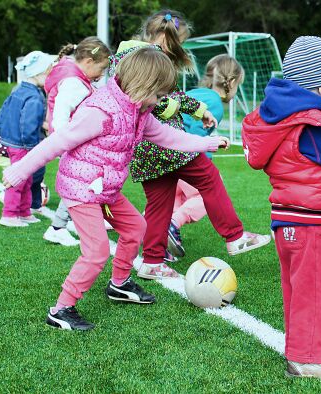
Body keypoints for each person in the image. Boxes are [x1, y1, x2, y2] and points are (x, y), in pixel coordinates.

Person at [1, 48, 229, 331]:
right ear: (143, 85)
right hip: (82, 189)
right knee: (96, 252)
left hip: (105, 190)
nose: (161, 102)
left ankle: (119, 284)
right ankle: (60, 309)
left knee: (136, 228)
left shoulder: (139, 111)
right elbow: (57, 142)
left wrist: (206, 143)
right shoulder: (100, 111)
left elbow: (167, 136)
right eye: (159, 95)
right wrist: (20, 170)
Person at [108, 10, 270, 281]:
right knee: (208, 177)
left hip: (144, 149)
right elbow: (151, 100)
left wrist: (199, 110)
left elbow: (170, 95)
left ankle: (151, 261)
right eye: (177, 42)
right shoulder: (142, 58)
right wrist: (176, 109)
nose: (177, 50)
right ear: (163, 37)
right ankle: (235, 236)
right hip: (164, 143)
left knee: (160, 203)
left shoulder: (127, 56)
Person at [242, 36, 321, 378]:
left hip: (289, 219)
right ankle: (307, 359)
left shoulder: (286, 118)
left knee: (298, 289)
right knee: (316, 290)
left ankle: (303, 346)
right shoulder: (311, 122)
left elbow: (303, 165)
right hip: (308, 224)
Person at [167, 54, 245, 258]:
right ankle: (173, 224)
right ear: (233, 82)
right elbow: (195, 134)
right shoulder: (216, 104)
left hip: (165, 152)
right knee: (207, 193)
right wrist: (206, 154)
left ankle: (153, 231)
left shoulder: (196, 93)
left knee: (172, 197)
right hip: (183, 155)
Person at [42, 36, 112, 247]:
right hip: (73, 142)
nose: (101, 75)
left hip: (74, 141)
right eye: (101, 68)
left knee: (87, 181)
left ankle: (75, 221)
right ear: (89, 62)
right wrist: (66, 141)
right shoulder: (74, 83)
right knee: (80, 183)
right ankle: (57, 227)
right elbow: (61, 115)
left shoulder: (76, 77)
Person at [0, 51, 57, 227]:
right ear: (39, 74)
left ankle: (24, 212)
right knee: (19, 179)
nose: (50, 77)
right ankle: (10, 214)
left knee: (26, 178)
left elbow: (3, 110)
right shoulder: (35, 96)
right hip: (23, 145)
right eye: (48, 73)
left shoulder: (18, 89)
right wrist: (32, 147)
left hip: (13, 142)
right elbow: (28, 124)